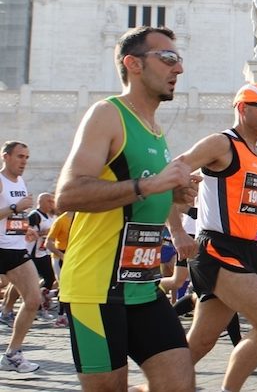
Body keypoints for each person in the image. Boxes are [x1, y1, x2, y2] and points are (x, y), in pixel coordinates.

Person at [54, 26, 199, 389]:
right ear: (133, 64)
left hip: (144, 286)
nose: (178, 69)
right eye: (167, 59)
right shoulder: (107, 114)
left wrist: (174, 196)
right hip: (96, 289)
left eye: (178, 60)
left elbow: (142, 192)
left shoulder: (154, 129)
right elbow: (68, 194)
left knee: (179, 383)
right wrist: (150, 185)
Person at [178, 82, 257, 392]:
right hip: (218, 249)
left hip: (245, 249)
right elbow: (175, 171)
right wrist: (175, 228)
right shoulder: (221, 144)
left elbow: (255, 204)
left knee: (201, 342)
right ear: (242, 109)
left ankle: (152, 388)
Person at [0, 141, 43, 374]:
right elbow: (12, 209)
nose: (24, 161)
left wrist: (25, 228)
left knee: (34, 299)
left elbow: (15, 218)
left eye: (26, 157)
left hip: (15, 249)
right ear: (5, 157)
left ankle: (12, 354)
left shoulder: (21, 182)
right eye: (20, 156)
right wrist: (16, 207)